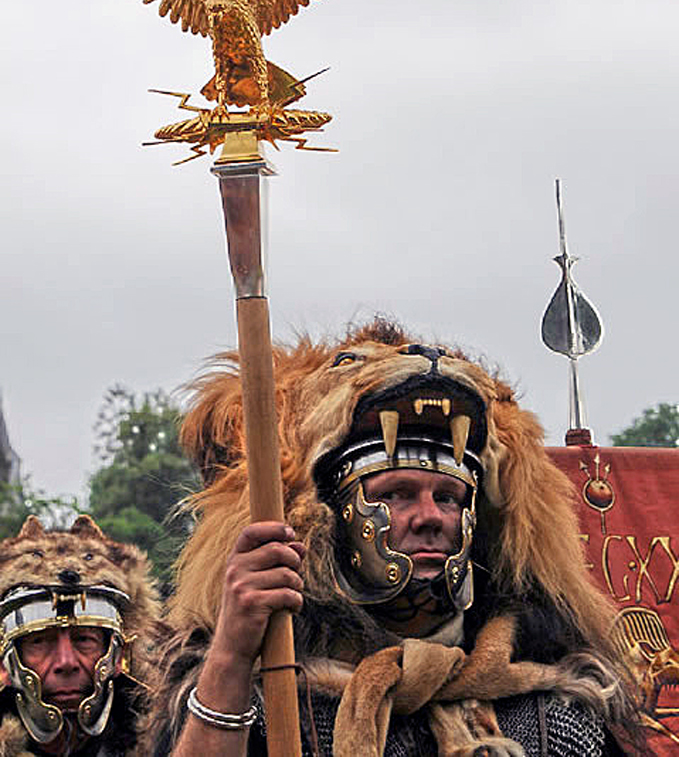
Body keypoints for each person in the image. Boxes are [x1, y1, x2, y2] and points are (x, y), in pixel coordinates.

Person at [145, 319, 644, 756]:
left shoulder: (548, 705)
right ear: (331, 518)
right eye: (397, 494)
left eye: (448, 497)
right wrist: (232, 652)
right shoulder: (269, 693)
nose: (431, 517)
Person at [0, 514, 160, 756]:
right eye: (40, 641)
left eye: (84, 639)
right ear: (5, 662)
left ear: (118, 655)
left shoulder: (170, 738)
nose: (66, 663)